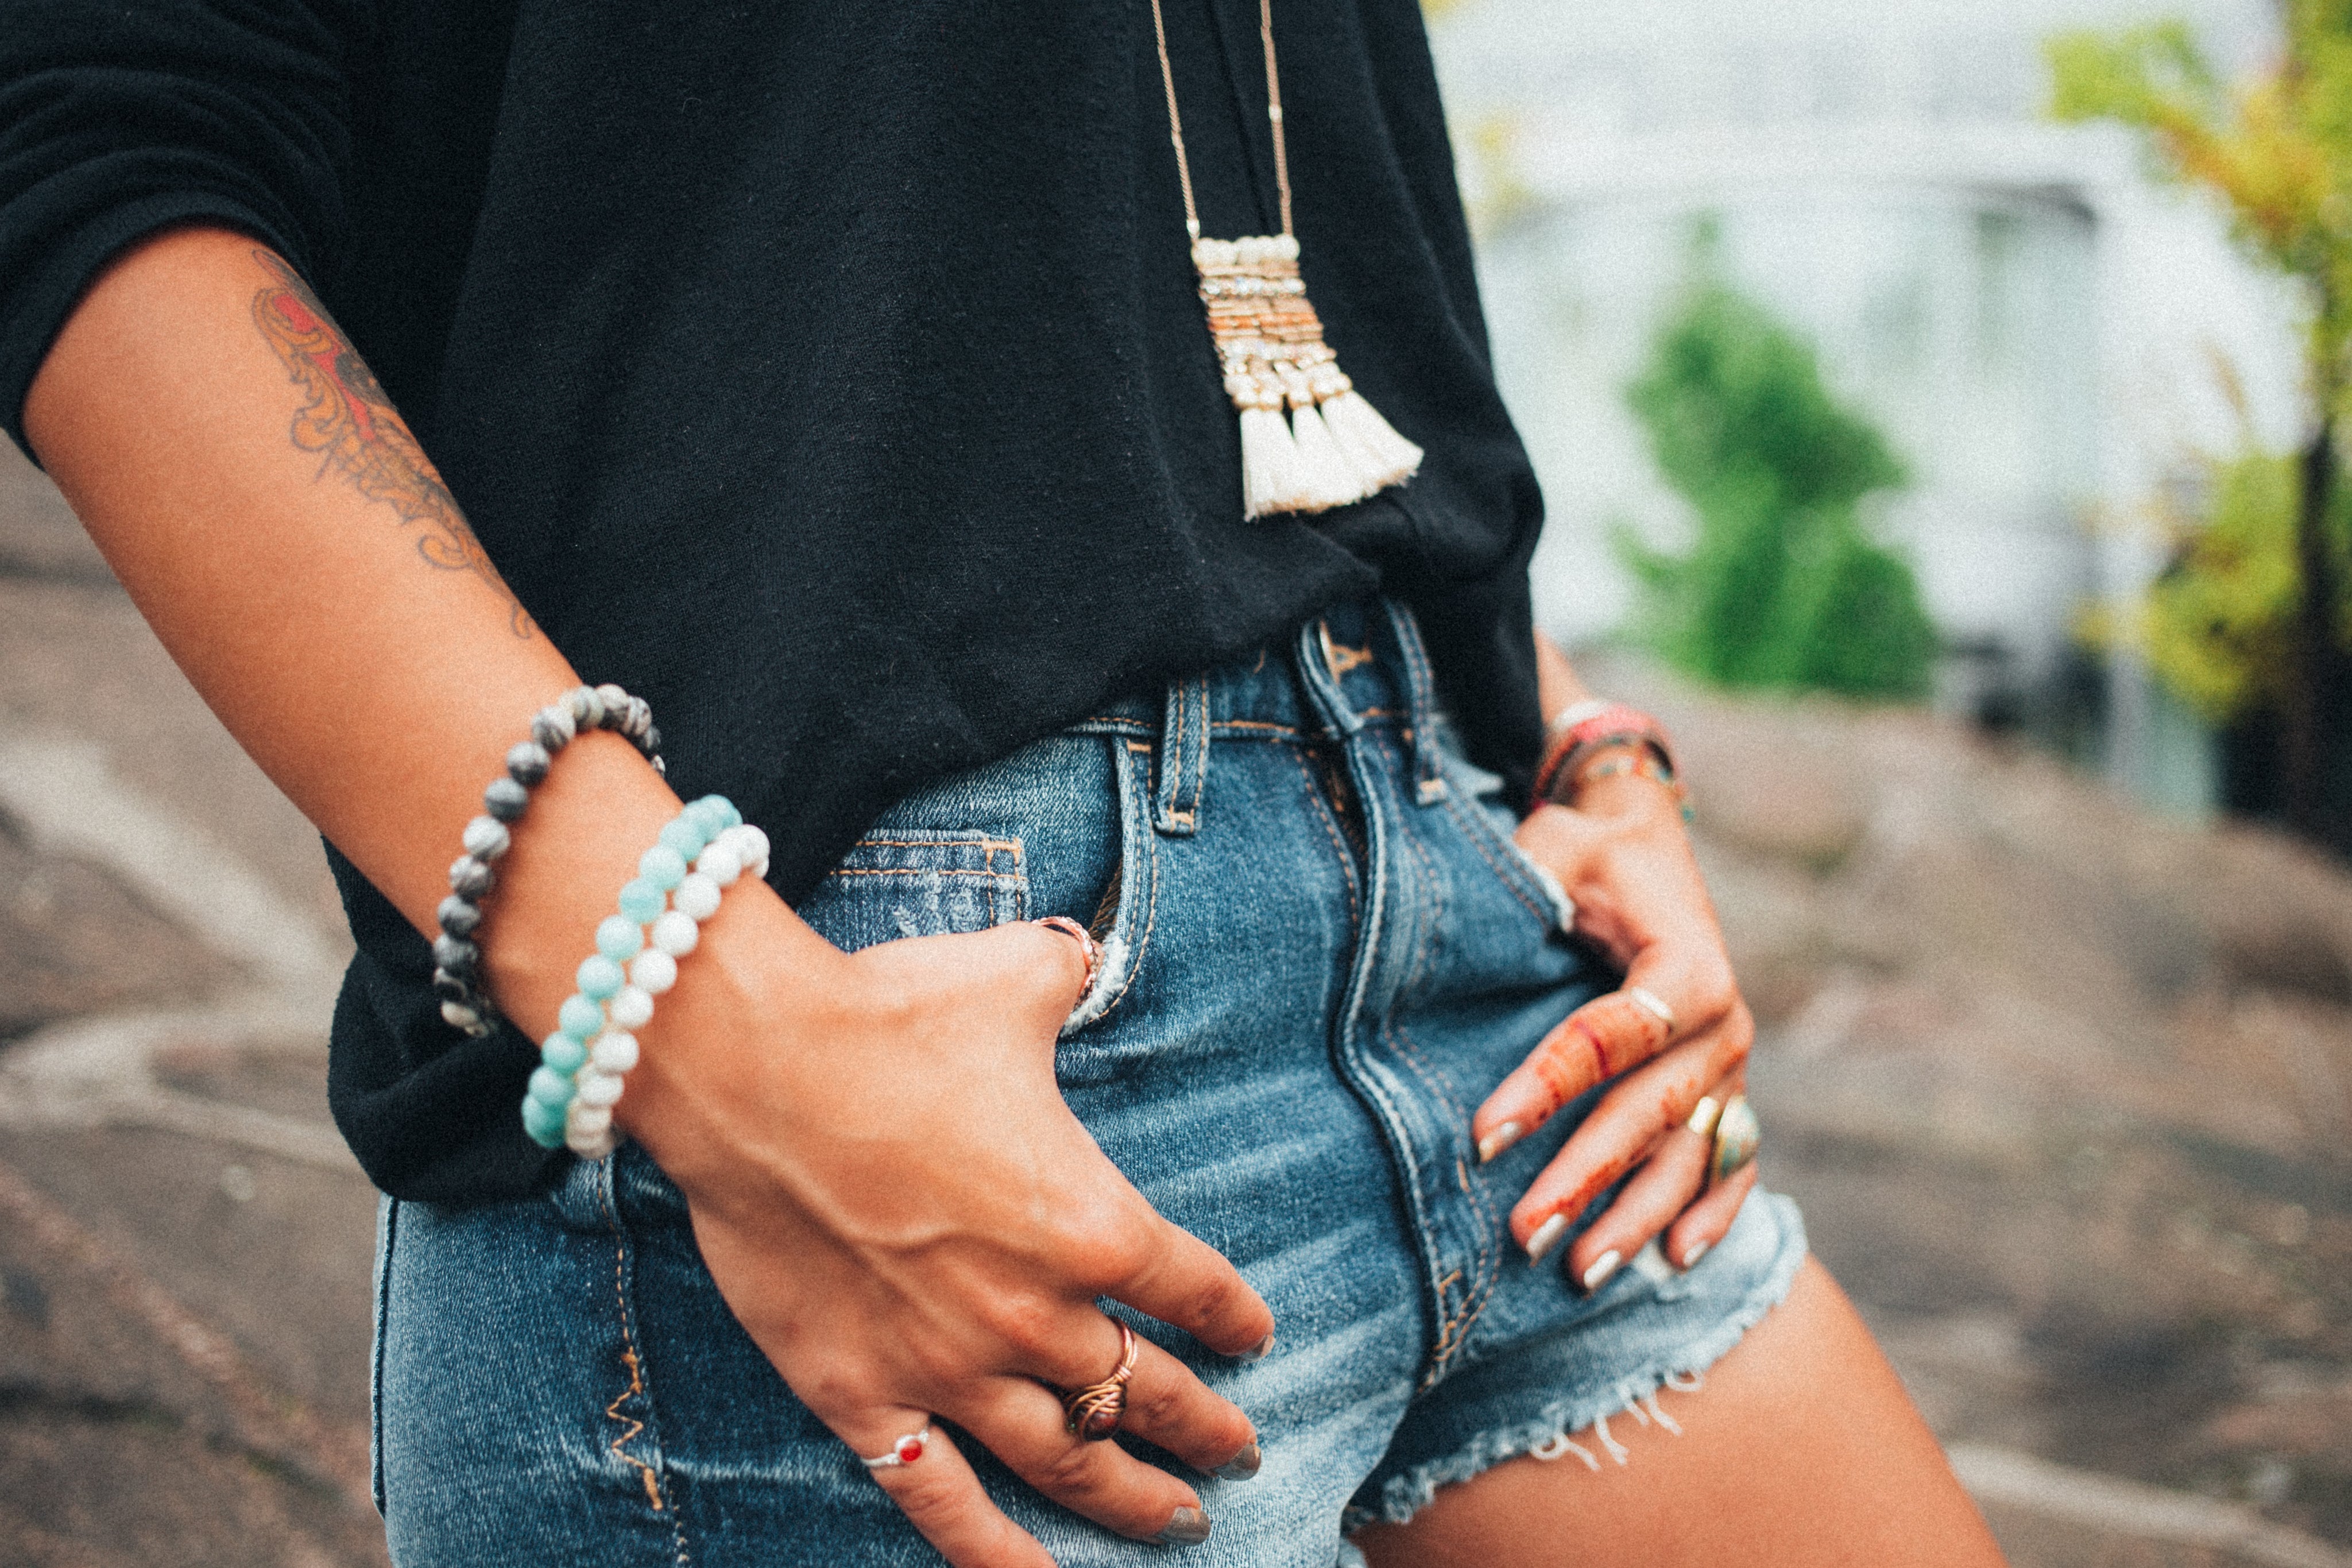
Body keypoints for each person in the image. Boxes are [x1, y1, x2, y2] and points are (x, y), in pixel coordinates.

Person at [0, 1, 2009, 1563]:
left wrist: (1568, 735)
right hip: (898, 1029)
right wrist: (720, 1029)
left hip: (1474, 947)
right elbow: (88, 136)